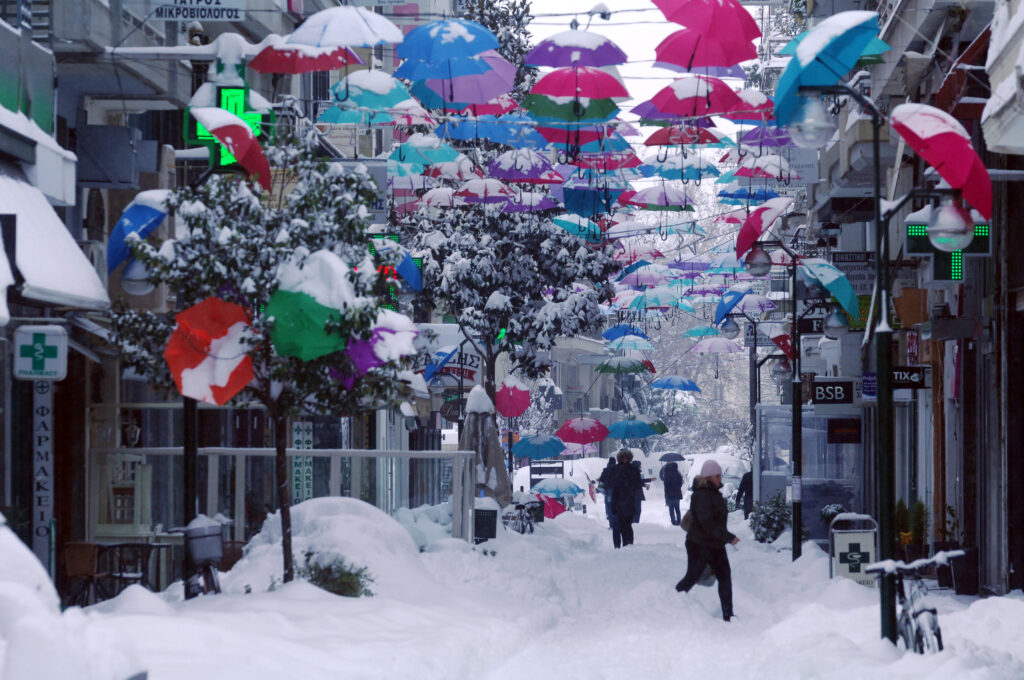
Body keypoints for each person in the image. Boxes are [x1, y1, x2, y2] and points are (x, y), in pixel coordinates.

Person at [676, 459, 739, 621]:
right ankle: (671, 601)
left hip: (715, 544)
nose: (720, 479)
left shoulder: (713, 493)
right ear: (709, 477)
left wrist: (723, 537)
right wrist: (728, 537)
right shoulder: (701, 495)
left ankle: (728, 615)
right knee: (693, 576)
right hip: (699, 544)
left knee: (725, 576)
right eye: (717, 476)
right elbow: (707, 522)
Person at [610, 449, 642, 547]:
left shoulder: (633, 470)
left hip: (629, 501)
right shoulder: (615, 469)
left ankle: (628, 545)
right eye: (623, 457)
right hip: (618, 501)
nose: (625, 459)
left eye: (627, 457)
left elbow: (637, 485)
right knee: (616, 527)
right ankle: (617, 546)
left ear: (630, 458)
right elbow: (612, 486)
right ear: (619, 458)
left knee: (627, 526)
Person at [598, 456, 618, 529]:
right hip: (616, 492)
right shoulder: (617, 469)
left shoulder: (605, 470)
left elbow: (601, 480)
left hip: (608, 491)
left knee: (609, 507)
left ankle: (611, 524)